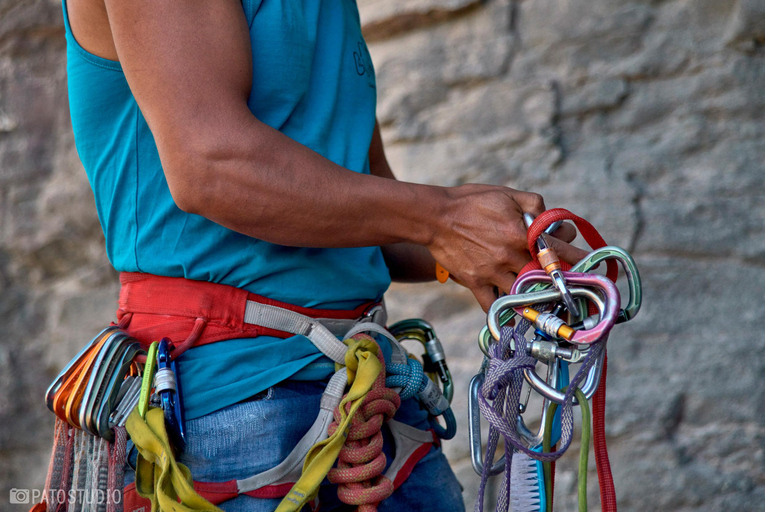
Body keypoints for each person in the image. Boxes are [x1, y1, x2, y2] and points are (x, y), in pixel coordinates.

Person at [61, 0, 586, 510]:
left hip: (366, 393)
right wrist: (443, 219)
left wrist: (505, 251)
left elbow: (371, 215)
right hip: (227, 404)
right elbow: (210, 165)